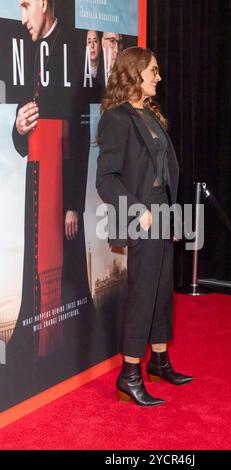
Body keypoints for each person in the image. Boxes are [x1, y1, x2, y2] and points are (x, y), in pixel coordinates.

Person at [96, 47, 194, 407]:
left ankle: (159, 361)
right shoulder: (116, 119)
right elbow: (105, 179)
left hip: (162, 213)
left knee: (161, 289)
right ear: (134, 72)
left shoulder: (150, 115)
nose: (158, 77)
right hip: (142, 216)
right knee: (142, 292)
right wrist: (139, 211)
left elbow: (164, 172)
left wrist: (168, 213)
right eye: (153, 71)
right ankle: (130, 374)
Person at [8, 0, 93, 361]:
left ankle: (67, 342)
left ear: (44, 3)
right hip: (37, 182)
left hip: (65, 185)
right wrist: (18, 126)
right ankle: (38, 342)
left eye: (26, 6)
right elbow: (20, 137)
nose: (22, 17)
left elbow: (80, 137)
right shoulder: (24, 52)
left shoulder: (74, 46)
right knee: (34, 265)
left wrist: (74, 204)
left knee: (70, 262)